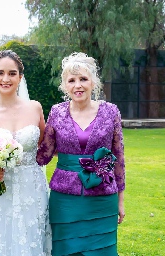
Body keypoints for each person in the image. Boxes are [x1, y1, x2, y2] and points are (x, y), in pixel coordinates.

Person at [36, 52, 125, 256]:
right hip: (65, 200)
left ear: (93, 82)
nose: (78, 85)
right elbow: (44, 155)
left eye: (83, 79)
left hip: (102, 198)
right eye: (72, 80)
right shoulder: (57, 112)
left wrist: (120, 200)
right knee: (65, 250)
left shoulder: (111, 111)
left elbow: (118, 156)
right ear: (65, 86)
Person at [0, 50, 51, 255]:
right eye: (0, 73)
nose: (6, 79)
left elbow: (45, 146)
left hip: (31, 187)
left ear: (20, 77)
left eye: (12, 73)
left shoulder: (35, 108)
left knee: (31, 238)